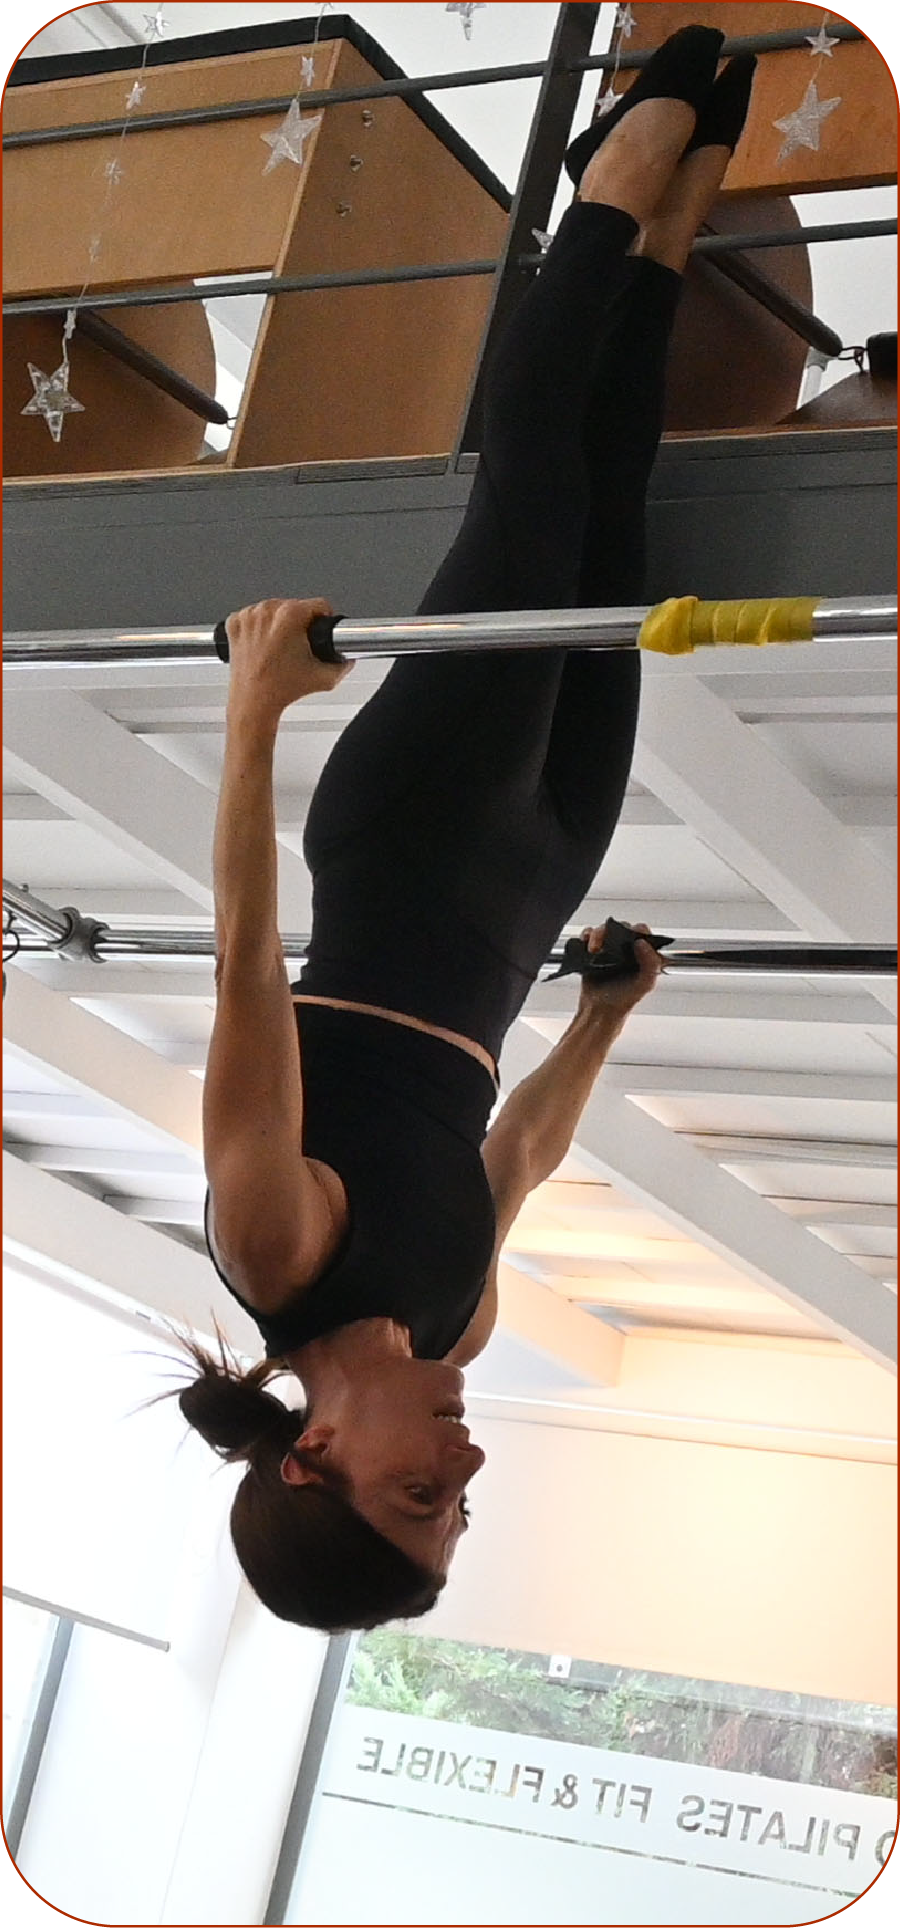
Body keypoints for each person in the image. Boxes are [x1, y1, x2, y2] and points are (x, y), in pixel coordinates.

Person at [173, 27, 757, 1632]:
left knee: (533, 500)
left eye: (420, 1495)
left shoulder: (275, 1249)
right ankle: (667, 227)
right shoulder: (460, 1326)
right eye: (464, 1508)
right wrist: (604, 1017)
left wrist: (253, 714)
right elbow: (520, 1154)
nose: (467, 1461)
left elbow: (243, 965)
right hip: (534, 883)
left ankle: (612, 180)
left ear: (312, 1460)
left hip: (413, 844)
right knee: (613, 529)